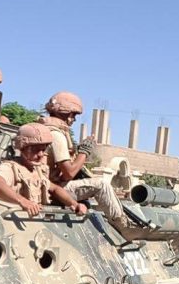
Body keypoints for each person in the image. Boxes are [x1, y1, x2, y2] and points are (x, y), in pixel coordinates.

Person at [38, 91, 127, 228]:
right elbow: (69, 173)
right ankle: (123, 226)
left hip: (46, 185)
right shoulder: (56, 135)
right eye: (73, 115)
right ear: (65, 113)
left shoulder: (44, 128)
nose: (74, 119)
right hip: (51, 190)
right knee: (101, 185)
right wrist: (84, 152)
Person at [0, 123, 87, 217]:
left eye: (43, 150)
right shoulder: (9, 167)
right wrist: (23, 201)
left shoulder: (38, 170)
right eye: (35, 150)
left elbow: (55, 189)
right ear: (22, 148)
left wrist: (74, 204)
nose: (40, 154)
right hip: (13, 218)